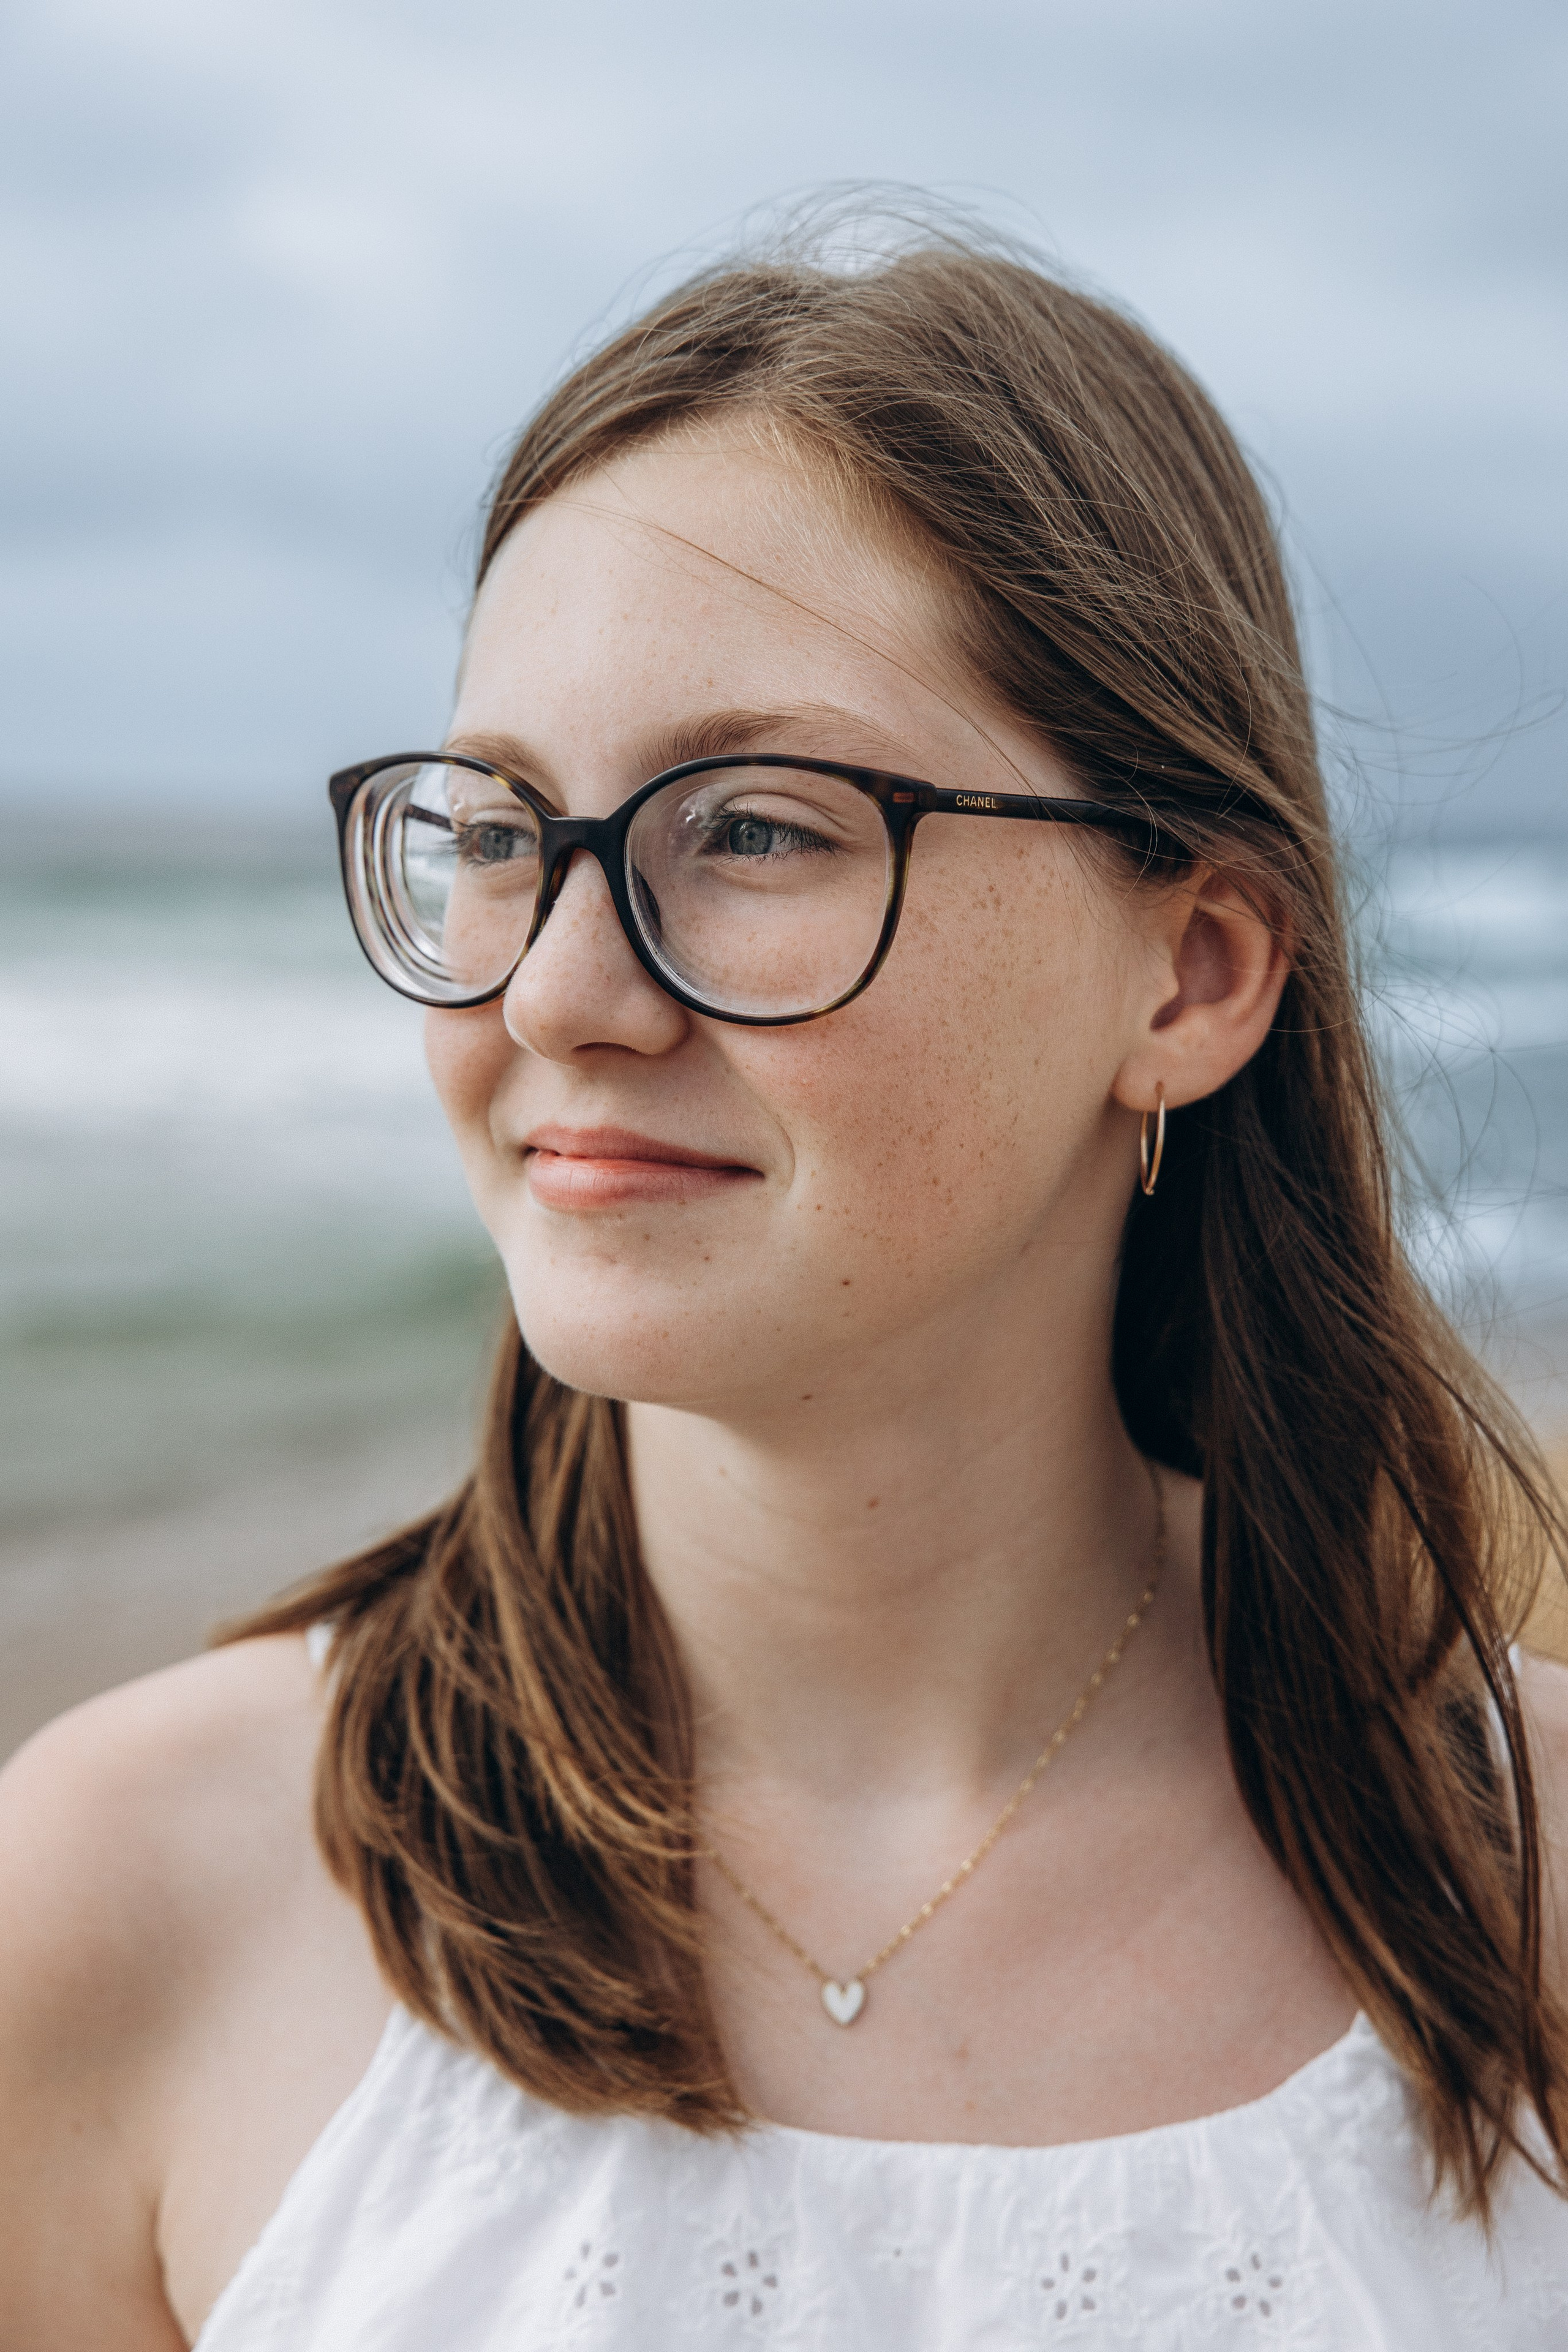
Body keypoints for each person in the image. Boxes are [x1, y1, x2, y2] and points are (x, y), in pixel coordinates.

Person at [3, 230, 1567, 2351]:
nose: (557, 992)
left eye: (750, 830)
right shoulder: (122, 1903)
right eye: (499, 832)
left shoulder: (1531, 1894)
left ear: (1194, 974)